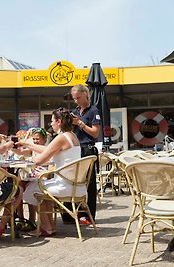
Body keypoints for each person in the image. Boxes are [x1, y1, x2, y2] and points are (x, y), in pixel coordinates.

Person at [21, 107, 82, 236]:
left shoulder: (61, 138)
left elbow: (40, 160)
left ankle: (46, 226)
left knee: (33, 188)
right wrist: (27, 145)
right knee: (41, 186)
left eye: (52, 121)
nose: (51, 124)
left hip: (65, 185)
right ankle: (50, 226)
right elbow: (47, 149)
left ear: (59, 122)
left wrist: (28, 159)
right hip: (76, 184)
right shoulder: (71, 136)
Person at [68, 84, 101, 225]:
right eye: (74, 98)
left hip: (87, 149)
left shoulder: (93, 110)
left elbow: (95, 132)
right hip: (75, 149)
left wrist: (79, 123)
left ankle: (89, 216)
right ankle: (73, 215)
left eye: (78, 98)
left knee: (89, 184)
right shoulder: (75, 111)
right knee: (74, 182)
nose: (76, 101)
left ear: (85, 95)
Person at [12, 127, 48, 224]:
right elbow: (20, 152)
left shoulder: (47, 149)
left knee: (21, 185)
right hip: (33, 175)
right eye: (34, 139)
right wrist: (12, 146)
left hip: (42, 177)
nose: (35, 141)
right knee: (18, 185)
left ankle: (30, 219)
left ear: (44, 140)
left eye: (37, 139)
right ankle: (20, 217)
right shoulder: (33, 150)